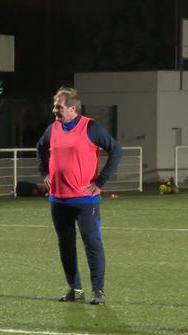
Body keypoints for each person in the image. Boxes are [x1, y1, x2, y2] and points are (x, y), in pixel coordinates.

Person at [36, 86, 122, 305]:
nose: (54, 110)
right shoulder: (53, 128)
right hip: (57, 199)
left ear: (72, 108)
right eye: (55, 105)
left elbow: (116, 150)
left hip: (85, 201)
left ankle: (98, 291)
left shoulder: (91, 127)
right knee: (65, 245)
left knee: (92, 244)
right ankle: (75, 289)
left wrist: (100, 181)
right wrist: (44, 172)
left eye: (58, 106)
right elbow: (40, 147)